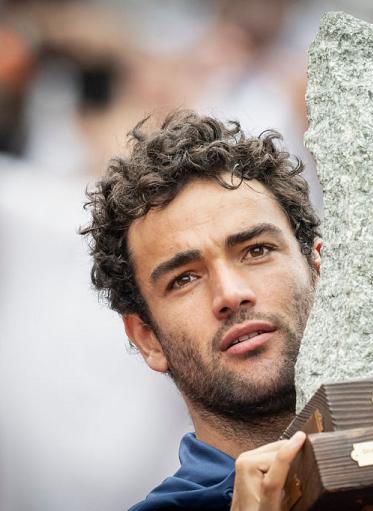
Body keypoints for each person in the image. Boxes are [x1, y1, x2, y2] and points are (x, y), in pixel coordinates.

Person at [81, 110, 323, 510]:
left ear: (318, 269)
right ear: (147, 338)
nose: (230, 294)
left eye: (256, 251)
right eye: (184, 279)